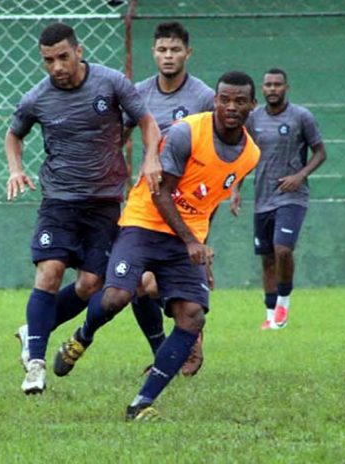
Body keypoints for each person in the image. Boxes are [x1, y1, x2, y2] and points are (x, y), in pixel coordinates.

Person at [55, 71, 260, 419]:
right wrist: (191, 241)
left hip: (185, 237)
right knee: (117, 295)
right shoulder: (186, 133)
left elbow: (207, 204)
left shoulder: (250, 154)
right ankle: (82, 336)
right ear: (214, 100)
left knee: (192, 316)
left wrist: (201, 252)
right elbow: (161, 192)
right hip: (144, 220)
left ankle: (141, 404)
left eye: (240, 101)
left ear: (251, 106)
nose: (231, 106)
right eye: (224, 98)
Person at [5, 23, 162, 394]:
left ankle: (33, 330)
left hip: (105, 203)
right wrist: (16, 169)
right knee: (50, 270)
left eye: (63, 56)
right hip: (58, 201)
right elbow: (14, 134)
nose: (57, 66)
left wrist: (151, 158)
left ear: (78, 50)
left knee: (91, 285)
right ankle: (36, 365)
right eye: (48, 60)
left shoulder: (111, 83)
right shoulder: (37, 98)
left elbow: (147, 121)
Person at [125, 21, 215, 375]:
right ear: (153, 52)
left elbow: (226, 145)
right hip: (148, 204)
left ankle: (191, 342)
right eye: (162, 49)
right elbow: (118, 135)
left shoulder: (204, 97)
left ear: (187, 53)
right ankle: (164, 350)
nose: (168, 56)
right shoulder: (139, 94)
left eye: (175, 49)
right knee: (137, 283)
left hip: (191, 206)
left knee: (176, 281)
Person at [230, 68, 326, 330]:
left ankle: (284, 302)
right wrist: (236, 188)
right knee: (267, 257)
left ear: (286, 88)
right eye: (268, 85)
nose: (273, 89)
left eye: (278, 84)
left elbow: (320, 152)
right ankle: (271, 314)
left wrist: (300, 175)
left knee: (283, 249)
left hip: (292, 196)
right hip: (263, 198)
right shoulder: (253, 119)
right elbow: (244, 156)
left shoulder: (301, 117)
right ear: (262, 89)